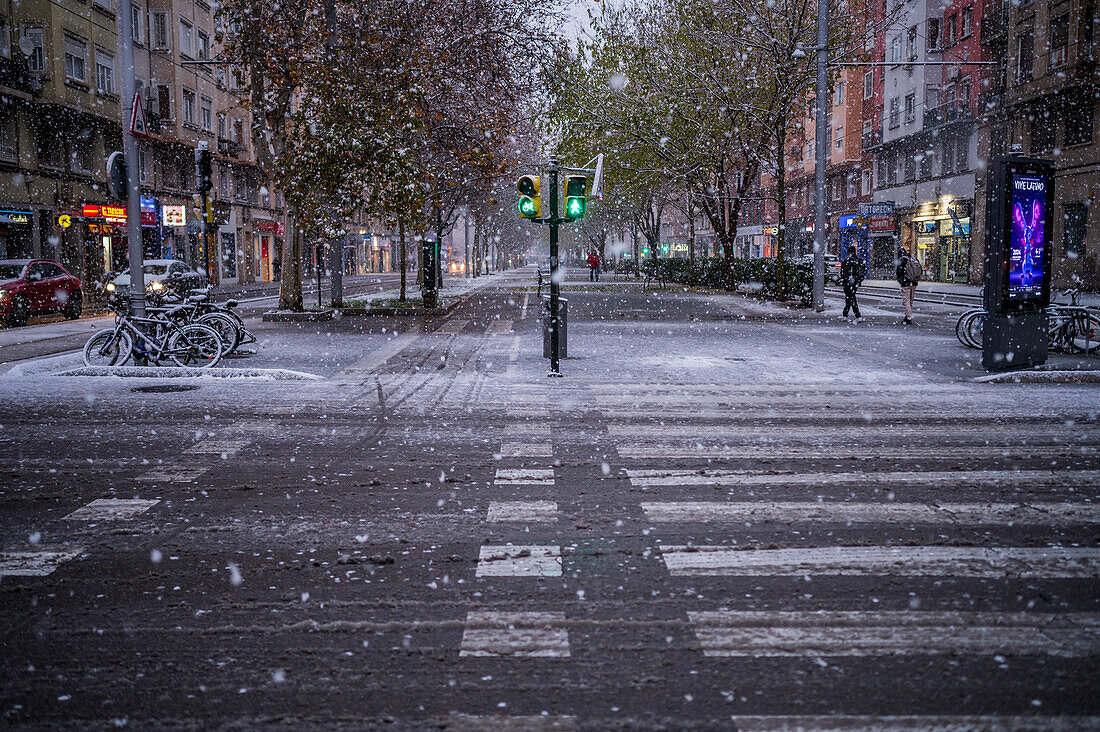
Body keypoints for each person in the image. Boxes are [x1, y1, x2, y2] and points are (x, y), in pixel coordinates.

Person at [840, 244, 865, 319]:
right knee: (851, 297)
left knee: (850, 298)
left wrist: (845, 279)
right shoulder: (859, 261)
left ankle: (852, 314)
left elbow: (842, 273)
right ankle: (851, 314)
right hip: (855, 283)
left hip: (847, 282)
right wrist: (858, 280)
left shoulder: (846, 260)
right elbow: (862, 272)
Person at [896, 246, 920, 324]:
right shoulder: (912, 259)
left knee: (906, 300)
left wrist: (900, 280)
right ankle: (907, 316)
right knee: (910, 301)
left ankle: (908, 317)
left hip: (906, 283)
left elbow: (899, 272)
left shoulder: (901, 260)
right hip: (913, 282)